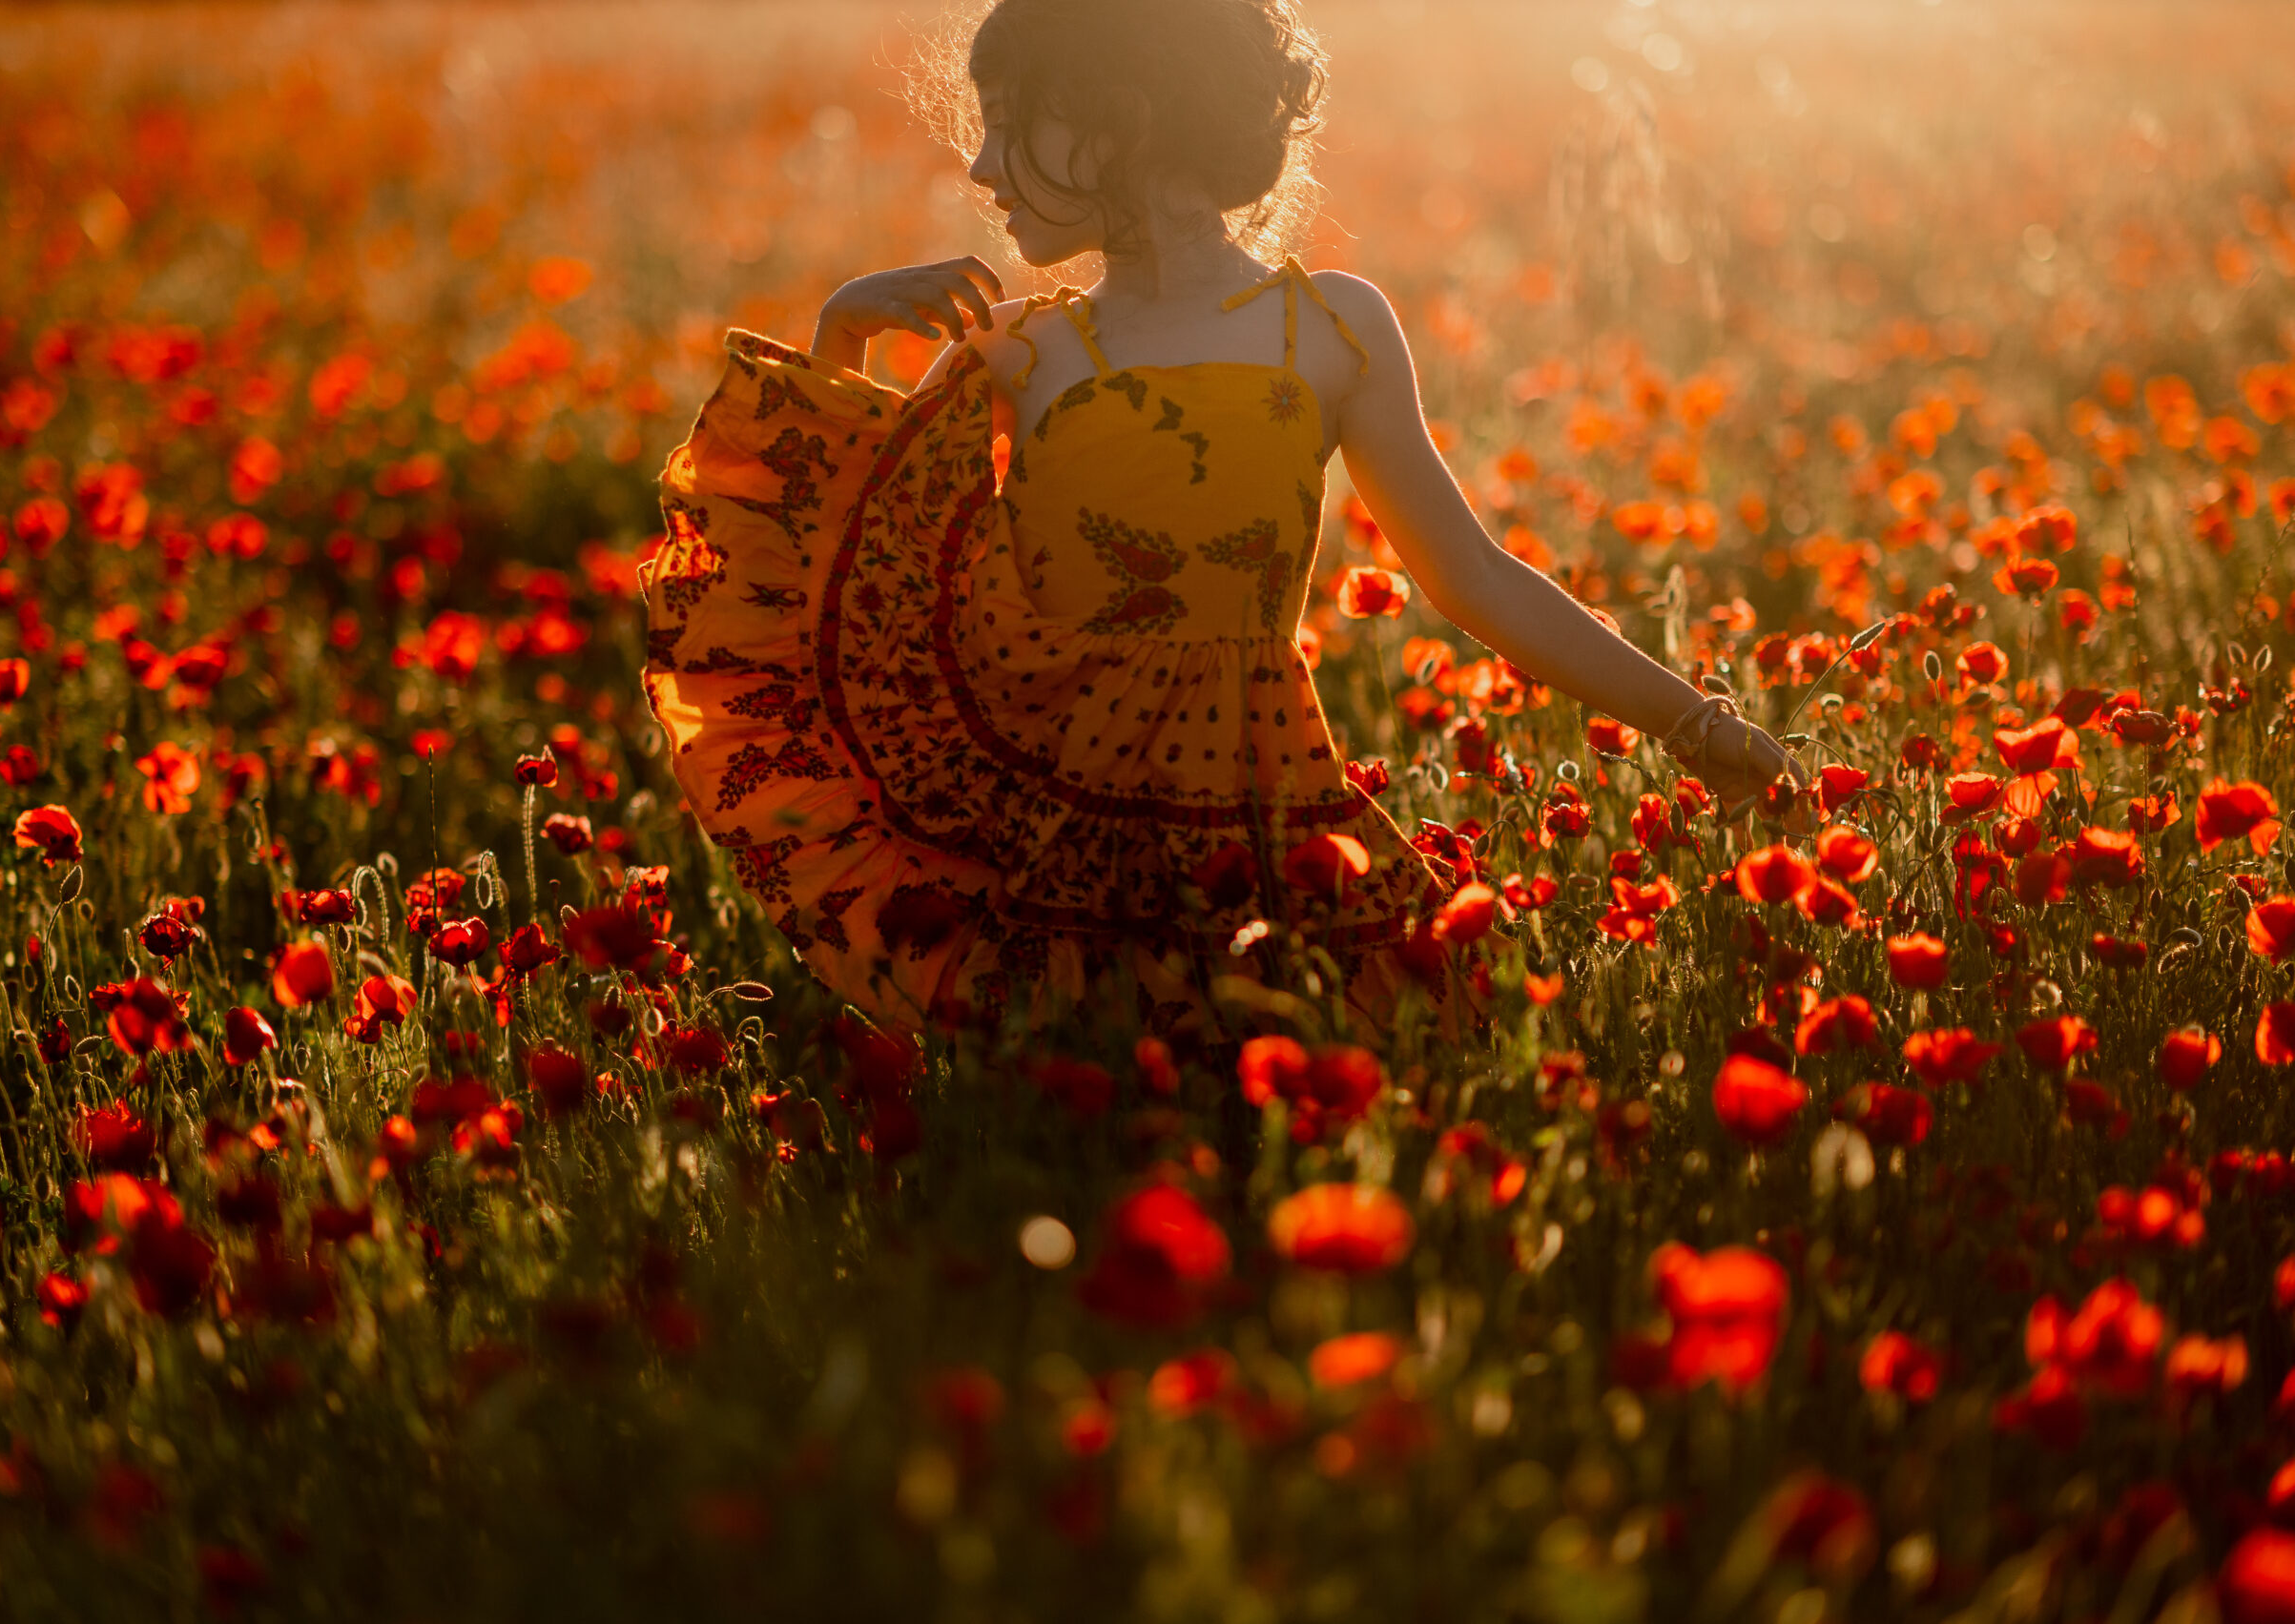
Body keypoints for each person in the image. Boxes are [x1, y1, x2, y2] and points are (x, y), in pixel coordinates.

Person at [638, 0, 1803, 1043]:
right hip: (1049, 809)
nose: (982, 166)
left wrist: (1697, 729)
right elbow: (856, 588)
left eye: (1007, 124)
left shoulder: (1330, 328)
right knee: (1097, 1093)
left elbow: (1476, 579)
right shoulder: (1025, 349)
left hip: (1262, 791)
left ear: (1119, 118)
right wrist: (843, 333)